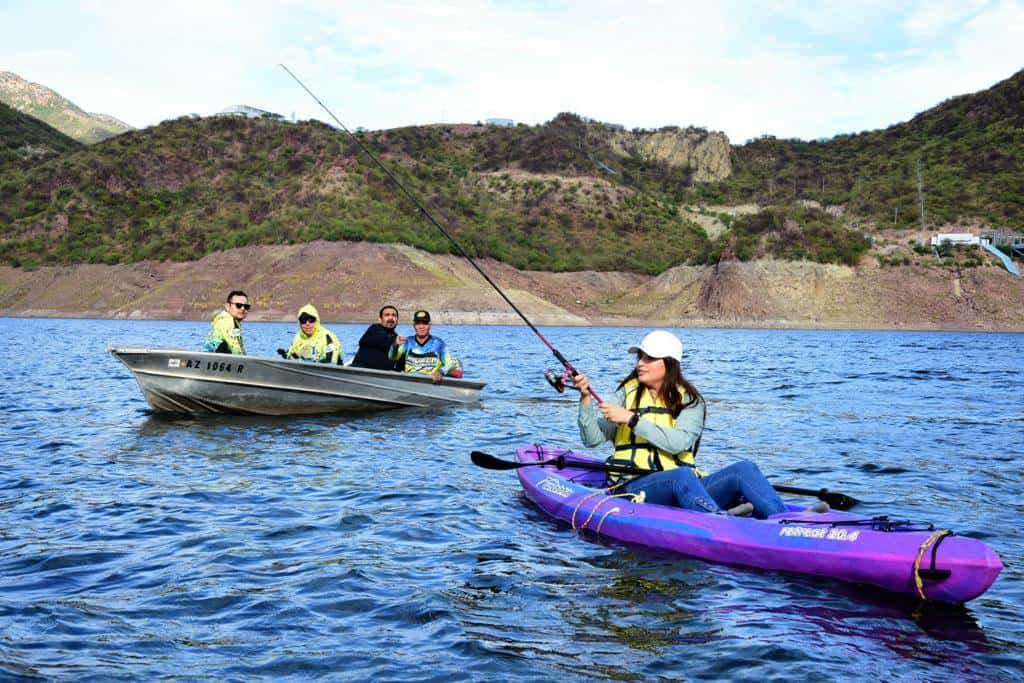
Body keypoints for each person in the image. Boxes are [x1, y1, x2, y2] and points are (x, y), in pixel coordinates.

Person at [572, 330, 791, 519]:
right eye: (640, 357)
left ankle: (786, 523)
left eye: (649, 358)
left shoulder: (691, 401)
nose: (640, 363)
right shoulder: (625, 394)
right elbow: (592, 440)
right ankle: (718, 522)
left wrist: (632, 419)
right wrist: (584, 398)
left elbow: (678, 443)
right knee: (681, 476)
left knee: (744, 469)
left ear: (668, 363)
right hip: (635, 486)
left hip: (683, 483)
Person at [388, 309, 457, 384]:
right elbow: (392, 357)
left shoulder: (439, 343)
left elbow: (450, 364)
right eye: (418, 323)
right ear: (414, 326)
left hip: (430, 383)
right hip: (410, 382)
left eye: (425, 323)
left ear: (430, 326)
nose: (421, 327)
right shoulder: (407, 342)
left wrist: (440, 372)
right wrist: (394, 345)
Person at [351, 305, 402, 371]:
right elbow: (365, 341)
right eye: (387, 315)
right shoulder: (374, 329)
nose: (390, 318)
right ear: (380, 319)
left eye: (394, 315)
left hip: (383, 376)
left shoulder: (397, 339)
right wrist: (395, 344)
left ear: (397, 320)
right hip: (360, 371)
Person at [204, 290, 249, 355]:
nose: (243, 308)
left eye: (246, 306)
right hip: (216, 356)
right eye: (238, 305)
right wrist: (246, 362)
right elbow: (234, 345)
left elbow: (239, 345)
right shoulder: (227, 320)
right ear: (228, 306)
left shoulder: (236, 322)